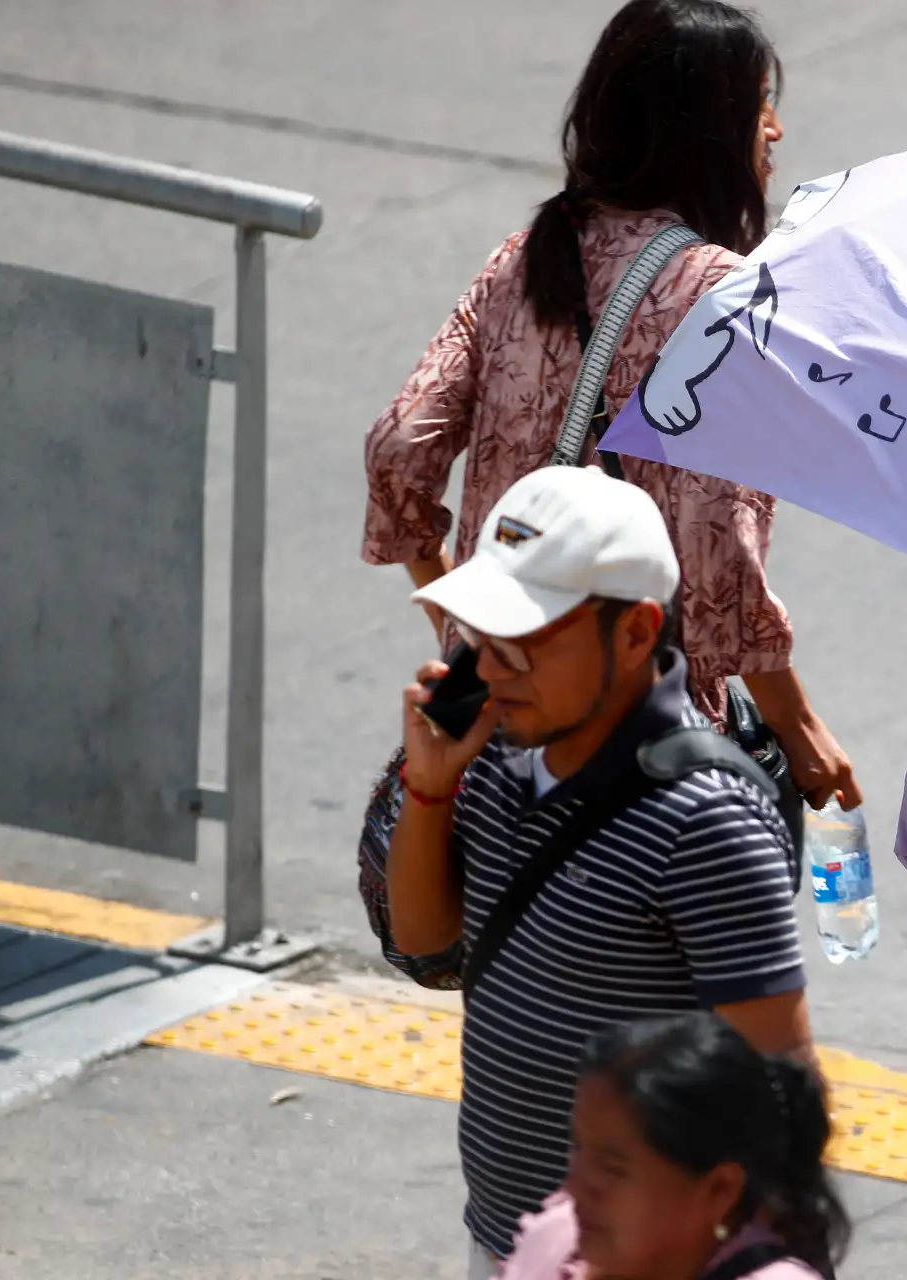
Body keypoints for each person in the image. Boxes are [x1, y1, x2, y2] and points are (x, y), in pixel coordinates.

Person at [362, 0, 859, 811]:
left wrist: (476, 633)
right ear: (705, 129)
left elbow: (396, 449)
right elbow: (715, 554)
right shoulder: (722, 298)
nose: (772, 130)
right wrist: (798, 727)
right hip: (637, 755)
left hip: (497, 733)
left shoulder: (523, 260)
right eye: (756, 104)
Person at [384, 466, 815, 1278]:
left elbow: (781, 1086)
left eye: (525, 641)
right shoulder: (499, 757)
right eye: (482, 637)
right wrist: (431, 788)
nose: (494, 667)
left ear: (634, 633)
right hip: (512, 1236)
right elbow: (426, 938)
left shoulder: (704, 818)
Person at [496, 1013, 848, 1280]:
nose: (574, 1186)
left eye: (613, 1168)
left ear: (719, 1191)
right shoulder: (553, 1244)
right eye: (578, 1147)